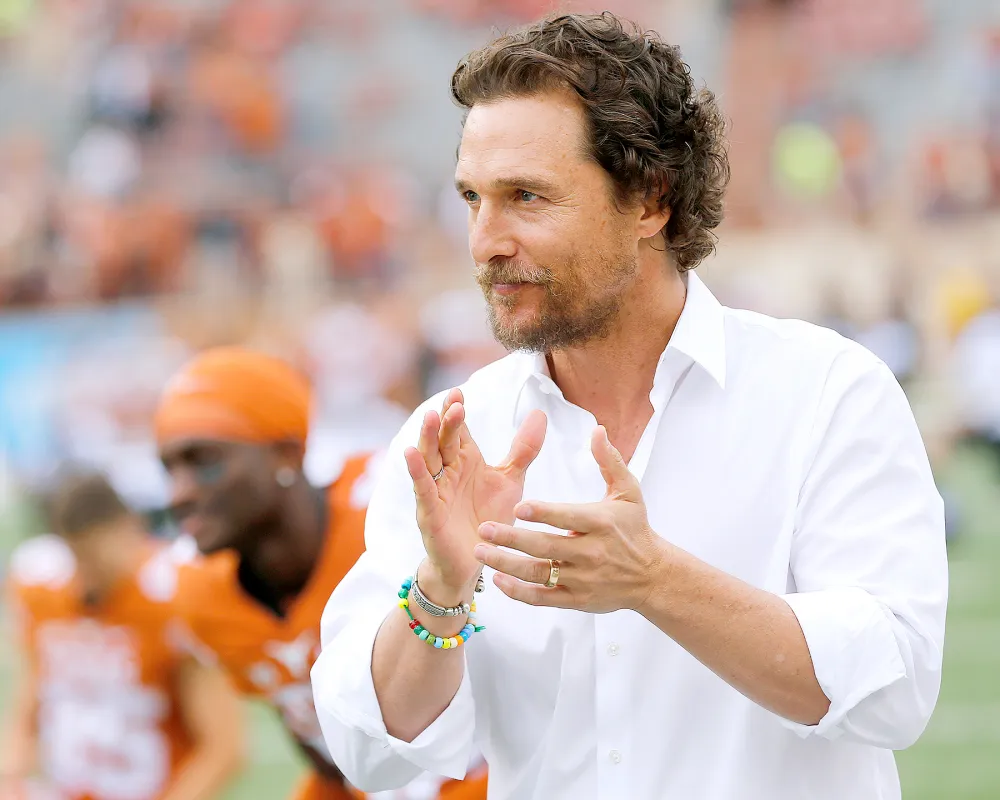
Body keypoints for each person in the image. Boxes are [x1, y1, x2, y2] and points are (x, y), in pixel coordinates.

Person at [312, 13, 948, 800]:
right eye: (473, 198)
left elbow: (895, 690)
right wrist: (441, 590)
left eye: (526, 197)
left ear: (651, 199)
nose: (485, 240)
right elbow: (371, 752)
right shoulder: (454, 435)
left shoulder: (827, 392)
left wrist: (654, 581)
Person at [153, 347, 488, 800]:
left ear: (286, 454)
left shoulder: (390, 516)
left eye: (204, 461)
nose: (179, 493)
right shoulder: (199, 592)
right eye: (169, 467)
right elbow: (318, 745)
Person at [1, 471, 243, 800]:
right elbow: (34, 692)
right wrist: (13, 765)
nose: (87, 575)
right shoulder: (43, 586)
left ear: (129, 530)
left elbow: (222, 748)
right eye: (78, 558)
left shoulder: (172, 597)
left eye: (95, 557)